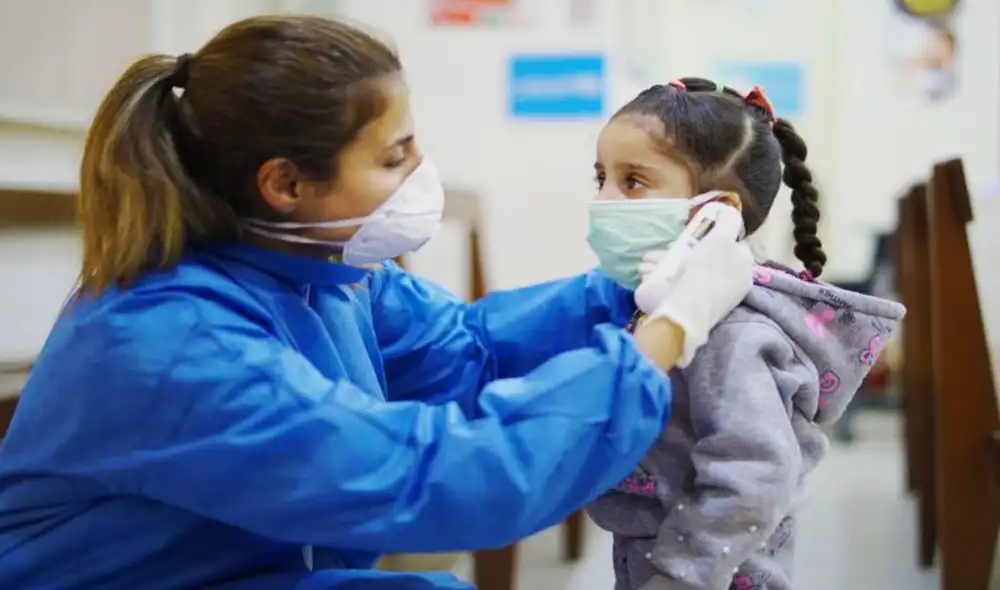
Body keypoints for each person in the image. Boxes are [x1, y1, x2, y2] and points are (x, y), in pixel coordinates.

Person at [0, 18, 756, 590]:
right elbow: (435, 479)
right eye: (394, 155)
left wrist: (633, 281)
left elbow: (470, 348)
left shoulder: (318, 268)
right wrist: (668, 331)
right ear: (286, 184)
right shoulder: (169, 345)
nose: (421, 172)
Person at [582, 77, 907, 590]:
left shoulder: (733, 334)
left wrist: (679, 576)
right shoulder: (654, 309)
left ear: (717, 213)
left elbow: (755, 473)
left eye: (633, 181)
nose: (604, 199)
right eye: (600, 176)